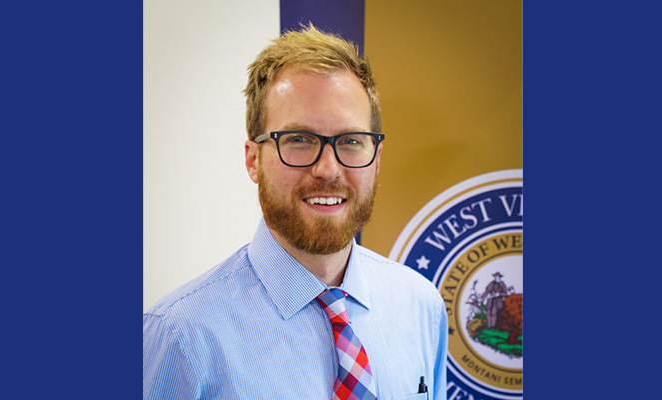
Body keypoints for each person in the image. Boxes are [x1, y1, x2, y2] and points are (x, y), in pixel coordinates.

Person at [143, 25, 448, 400]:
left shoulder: (420, 305)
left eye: (351, 141)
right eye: (299, 140)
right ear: (253, 160)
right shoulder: (181, 337)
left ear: (377, 159)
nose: (328, 169)